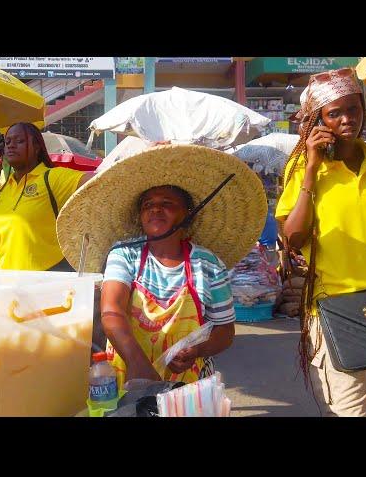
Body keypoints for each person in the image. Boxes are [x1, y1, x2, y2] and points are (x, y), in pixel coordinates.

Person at [56, 144, 267, 389]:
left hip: (189, 383)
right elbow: (111, 312)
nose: (155, 208)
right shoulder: (124, 254)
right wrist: (139, 365)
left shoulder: (207, 264)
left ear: (188, 214)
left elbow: (225, 331)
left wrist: (198, 349)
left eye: (167, 203)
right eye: (147, 204)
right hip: (129, 373)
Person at [276, 67, 366, 417]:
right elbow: (292, 238)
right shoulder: (305, 167)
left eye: (353, 109)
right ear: (318, 121)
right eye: (334, 113)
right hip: (334, 309)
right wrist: (311, 170)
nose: (347, 119)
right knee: (351, 412)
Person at [0, 122, 93, 271]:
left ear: (37, 147)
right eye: (8, 142)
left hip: (46, 284)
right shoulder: (2, 184)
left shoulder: (53, 178)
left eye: (20, 141)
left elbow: (101, 179)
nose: (11, 146)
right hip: (7, 285)